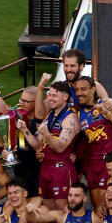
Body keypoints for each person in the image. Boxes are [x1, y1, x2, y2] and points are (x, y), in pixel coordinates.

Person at [17, 81, 79, 210]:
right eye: (49, 95)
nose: (50, 98)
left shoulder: (70, 119)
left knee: (63, 211)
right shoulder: (50, 115)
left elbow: (61, 147)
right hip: (45, 169)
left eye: (54, 96)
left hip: (61, 170)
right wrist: (25, 130)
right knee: (48, 210)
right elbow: (38, 145)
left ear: (65, 97)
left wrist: (48, 135)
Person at [75, 76, 112, 210]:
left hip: (108, 162)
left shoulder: (106, 104)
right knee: (98, 208)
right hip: (92, 164)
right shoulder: (77, 112)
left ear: (93, 89)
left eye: (83, 89)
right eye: (77, 90)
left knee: (109, 207)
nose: (79, 93)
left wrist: (106, 112)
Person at [35, 50, 108, 119]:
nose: (68, 69)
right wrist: (40, 87)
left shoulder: (94, 86)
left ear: (81, 66)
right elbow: (40, 115)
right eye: (66, 65)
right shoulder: (61, 87)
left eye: (72, 66)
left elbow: (109, 109)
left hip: (91, 130)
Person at [13, 86, 42, 197]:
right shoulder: (16, 116)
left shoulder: (43, 120)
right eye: (21, 99)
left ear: (36, 102)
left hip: (37, 170)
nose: (22, 103)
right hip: (20, 169)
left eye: (26, 101)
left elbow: (39, 146)